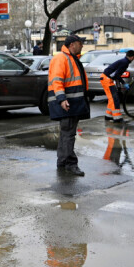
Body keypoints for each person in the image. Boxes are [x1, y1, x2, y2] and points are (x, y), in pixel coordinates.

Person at [47, 34, 89, 176]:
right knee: (68, 134)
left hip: (72, 102)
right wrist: (62, 99)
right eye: (80, 43)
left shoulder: (71, 58)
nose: (82, 46)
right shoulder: (61, 58)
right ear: (72, 45)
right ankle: (70, 163)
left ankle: (63, 161)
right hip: (67, 103)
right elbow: (56, 80)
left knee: (66, 134)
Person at [101, 49, 134, 122]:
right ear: (132, 57)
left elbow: (116, 74)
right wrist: (124, 83)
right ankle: (117, 118)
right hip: (107, 79)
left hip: (106, 79)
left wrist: (119, 85)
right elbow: (117, 74)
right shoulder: (125, 63)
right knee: (115, 99)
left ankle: (108, 115)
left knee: (112, 98)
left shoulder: (123, 61)